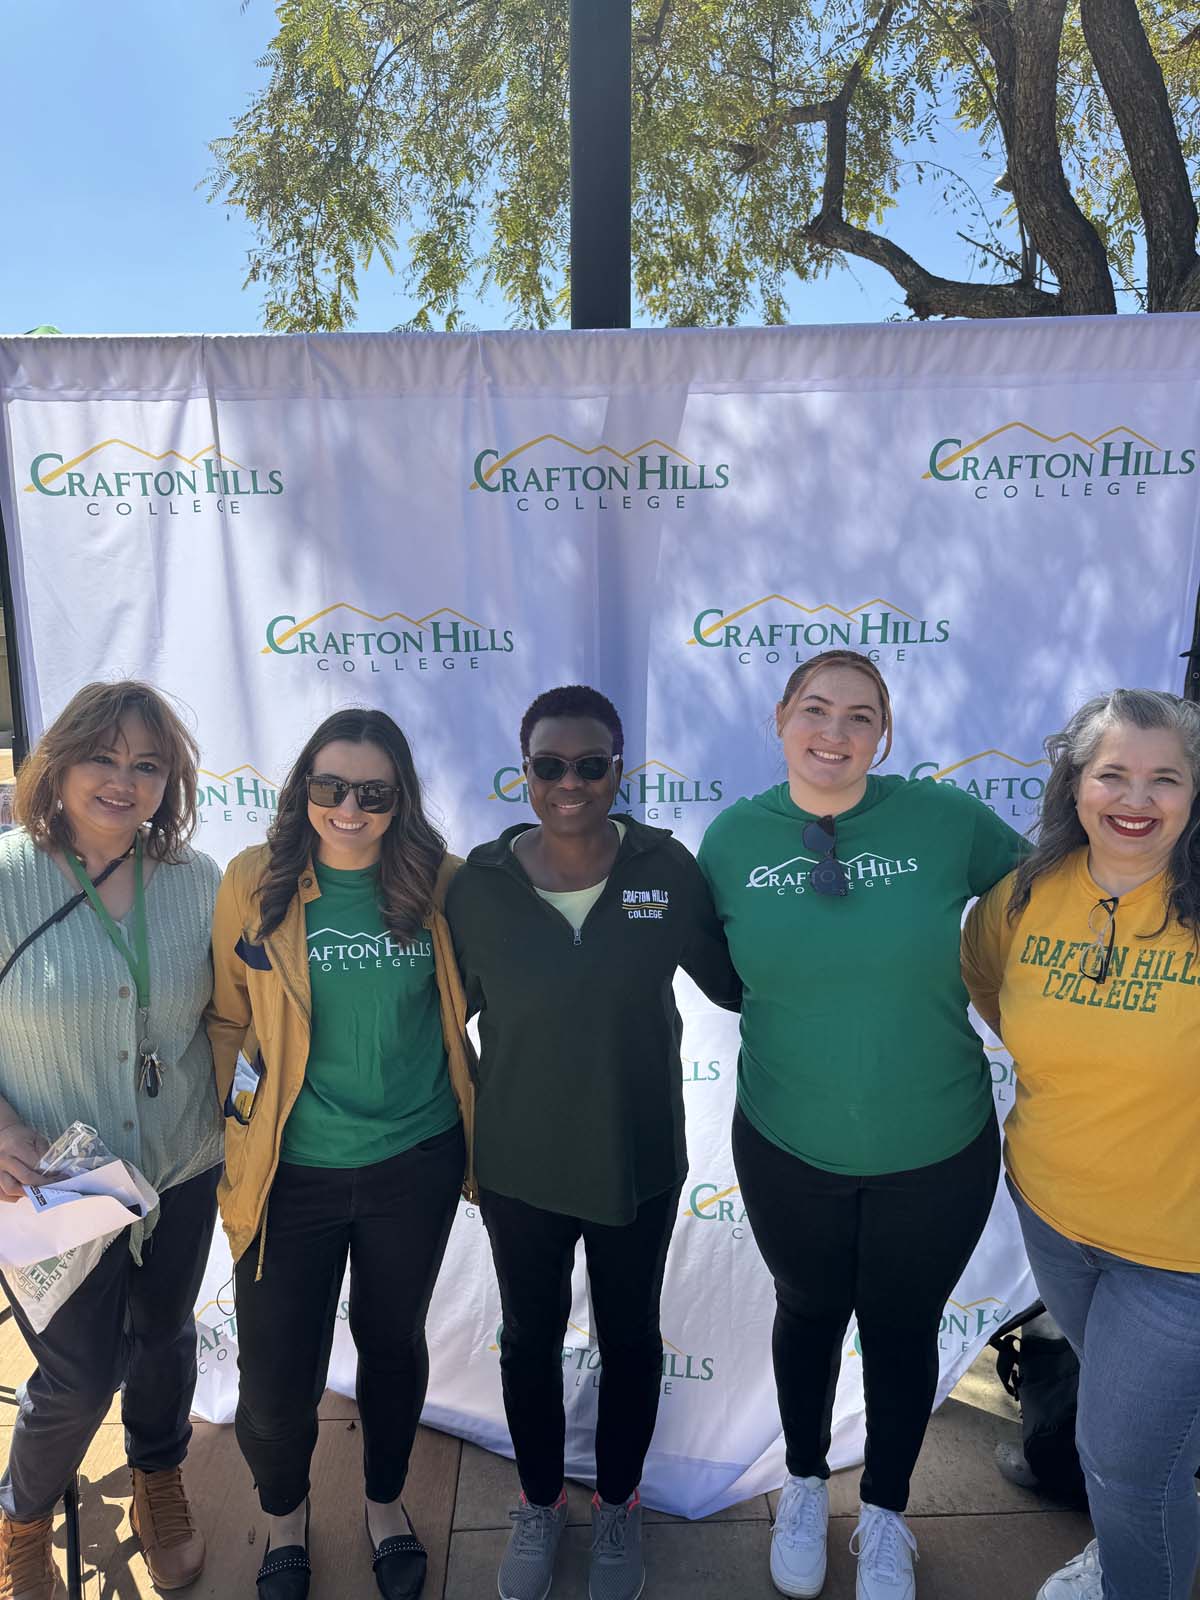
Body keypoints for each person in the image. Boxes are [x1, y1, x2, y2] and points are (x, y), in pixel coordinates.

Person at [697, 648, 1024, 1600]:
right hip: (788, 1137)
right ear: (779, 719)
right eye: (815, 710)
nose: (833, 733)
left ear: (885, 733)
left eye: (858, 717)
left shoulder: (947, 822)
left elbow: (1048, 900)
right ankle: (803, 1485)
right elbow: (721, 971)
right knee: (806, 1311)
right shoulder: (732, 842)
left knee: (900, 1326)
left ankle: (884, 1513)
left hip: (939, 1141)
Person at [445, 684, 741, 1600]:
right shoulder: (479, 889)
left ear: (621, 769)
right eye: (549, 765)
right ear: (524, 771)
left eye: (590, 765)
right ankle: (540, 1502)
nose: (569, 783)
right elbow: (441, 1024)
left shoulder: (666, 867)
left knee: (629, 1338)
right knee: (528, 1337)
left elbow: (742, 984)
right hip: (520, 1164)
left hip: (637, 1158)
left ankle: (617, 1503)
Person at [207, 708, 475, 1600]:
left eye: (372, 791)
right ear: (303, 790)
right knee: (277, 1371)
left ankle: (386, 1503)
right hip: (290, 1172)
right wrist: (234, 1128)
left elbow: (485, 995)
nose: (349, 808)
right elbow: (226, 1019)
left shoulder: (443, 884)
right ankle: (284, 1519)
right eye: (330, 787)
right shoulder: (255, 881)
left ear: (400, 797)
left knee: (391, 1346)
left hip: (415, 1162)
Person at [962, 689, 1200, 1600]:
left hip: (1177, 1256)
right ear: (1076, 784)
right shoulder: (1024, 895)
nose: (1135, 799)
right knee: (1126, 1443)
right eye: (1113, 774)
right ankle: (1127, 1551)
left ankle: (1137, 1561)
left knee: (1129, 1464)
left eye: (1164, 779)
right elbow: (991, 989)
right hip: (1055, 1215)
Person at [0, 681, 223, 1600]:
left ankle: (158, 1475)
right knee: (78, 1372)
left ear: (171, 782)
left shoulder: (197, 882)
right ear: (56, 765)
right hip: (54, 1179)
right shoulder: (8, 878)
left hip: (180, 1160)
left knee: (166, 1335)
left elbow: (236, 1015)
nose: (124, 781)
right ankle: (21, 1518)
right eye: (104, 758)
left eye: (147, 765)